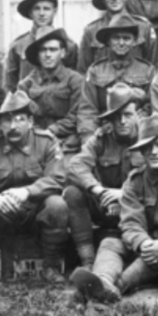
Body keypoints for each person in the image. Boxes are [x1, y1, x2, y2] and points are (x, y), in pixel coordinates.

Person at [70, 115, 158, 303]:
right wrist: (143, 243)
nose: (153, 152)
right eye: (147, 147)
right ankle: (102, 279)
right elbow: (130, 221)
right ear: (141, 152)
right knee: (110, 243)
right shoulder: (135, 181)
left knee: (151, 259)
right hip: (146, 246)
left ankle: (108, 290)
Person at [0, 91, 68, 284]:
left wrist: (27, 191)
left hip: (35, 211)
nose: (13, 126)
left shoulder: (46, 142)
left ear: (30, 121)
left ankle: (50, 268)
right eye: (7, 121)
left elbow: (57, 177)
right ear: (0, 124)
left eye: (19, 120)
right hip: (3, 212)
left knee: (57, 206)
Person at [64, 83, 144, 269]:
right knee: (72, 193)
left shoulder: (147, 138)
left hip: (139, 206)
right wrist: (98, 190)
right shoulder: (101, 138)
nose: (122, 121)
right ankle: (88, 260)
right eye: (116, 117)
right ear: (110, 119)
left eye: (128, 115)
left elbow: (156, 175)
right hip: (106, 206)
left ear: (137, 115)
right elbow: (75, 165)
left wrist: (124, 194)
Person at [77, 14, 155, 139]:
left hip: (137, 134)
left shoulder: (147, 71)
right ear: (108, 41)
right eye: (116, 38)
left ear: (134, 41)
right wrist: (89, 139)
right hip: (103, 134)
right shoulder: (95, 71)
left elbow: (151, 106)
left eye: (126, 38)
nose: (121, 43)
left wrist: (137, 125)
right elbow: (87, 110)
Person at [17, 26, 83, 158]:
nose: (48, 55)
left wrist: (52, 131)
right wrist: (39, 136)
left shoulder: (75, 81)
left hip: (67, 143)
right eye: (43, 50)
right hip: (34, 142)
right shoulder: (26, 84)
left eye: (53, 50)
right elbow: (22, 118)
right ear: (37, 54)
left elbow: (75, 116)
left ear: (63, 53)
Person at [78, 0, 158, 71]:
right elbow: (83, 71)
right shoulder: (91, 31)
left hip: (137, 83)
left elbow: (153, 67)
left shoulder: (144, 28)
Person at [4, 0, 78, 90]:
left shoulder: (69, 46)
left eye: (46, 9)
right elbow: (10, 86)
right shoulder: (17, 46)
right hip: (28, 100)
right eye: (37, 9)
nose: (42, 13)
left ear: (54, 11)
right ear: (30, 13)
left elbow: (77, 82)